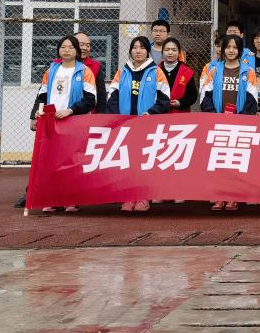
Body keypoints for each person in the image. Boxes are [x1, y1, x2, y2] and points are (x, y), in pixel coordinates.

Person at [29, 35, 98, 213]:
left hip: (74, 123)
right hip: (52, 124)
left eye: (71, 47)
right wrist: (37, 113)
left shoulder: (84, 72)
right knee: (51, 162)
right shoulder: (51, 71)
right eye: (63, 47)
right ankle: (52, 199)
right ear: (58, 50)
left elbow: (90, 100)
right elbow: (42, 96)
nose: (66, 50)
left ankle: (72, 200)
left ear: (77, 51)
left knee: (72, 162)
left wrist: (71, 110)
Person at [107, 36, 171, 212]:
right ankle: (128, 197)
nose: (138, 51)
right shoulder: (122, 72)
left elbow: (164, 99)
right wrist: (117, 117)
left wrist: (151, 113)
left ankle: (143, 197)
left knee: (144, 161)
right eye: (134, 47)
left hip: (147, 126)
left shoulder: (156, 72)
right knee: (126, 162)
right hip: (125, 126)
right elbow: (112, 96)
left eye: (142, 47)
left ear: (147, 51)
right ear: (130, 51)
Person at [200, 35, 260, 211]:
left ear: (240, 50)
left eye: (235, 47)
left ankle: (234, 196)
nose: (231, 50)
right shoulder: (214, 70)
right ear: (223, 49)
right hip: (218, 123)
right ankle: (219, 196)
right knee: (218, 161)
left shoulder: (248, 72)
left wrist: (242, 118)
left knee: (235, 161)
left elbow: (252, 98)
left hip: (240, 124)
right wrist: (213, 115)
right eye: (228, 47)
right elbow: (205, 95)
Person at [160, 37, 198, 113]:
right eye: (167, 50)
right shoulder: (155, 71)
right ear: (162, 52)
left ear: (179, 52)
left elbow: (192, 96)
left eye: (174, 50)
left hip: (180, 115)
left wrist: (180, 103)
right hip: (159, 113)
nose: (170, 53)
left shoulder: (187, 72)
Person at [74, 32, 107, 113]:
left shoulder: (96, 66)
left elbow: (101, 95)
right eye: (81, 44)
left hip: (88, 114)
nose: (85, 48)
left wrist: (99, 116)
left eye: (88, 45)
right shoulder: (57, 65)